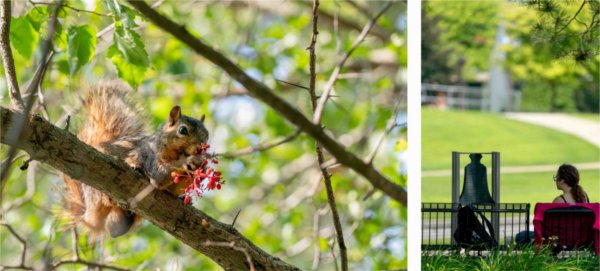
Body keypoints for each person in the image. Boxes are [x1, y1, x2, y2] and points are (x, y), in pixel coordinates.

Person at [515, 164, 589, 244]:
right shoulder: (584, 197)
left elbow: (549, 228)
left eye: (556, 177)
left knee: (521, 236)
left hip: (560, 240)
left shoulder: (559, 200)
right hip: (580, 239)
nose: (556, 180)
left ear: (562, 180)